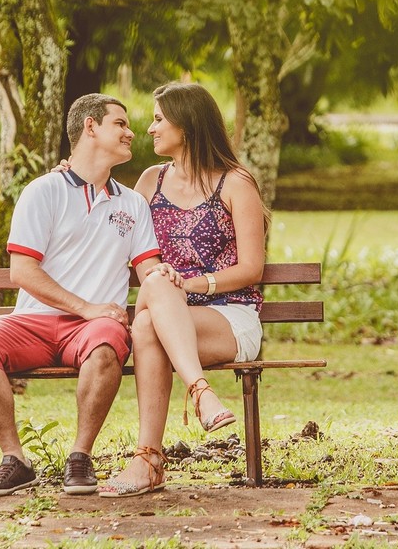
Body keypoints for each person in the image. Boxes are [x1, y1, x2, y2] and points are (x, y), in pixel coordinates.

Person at [0, 93, 180, 498]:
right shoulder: (43, 192)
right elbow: (22, 271)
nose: (132, 132)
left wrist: (160, 273)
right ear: (90, 127)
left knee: (107, 345)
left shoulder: (132, 203)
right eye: (121, 123)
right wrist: (85, 306)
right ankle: (15, 459)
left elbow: (147, 268)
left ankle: (80, 456)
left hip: (94, 331)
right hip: (34, 321)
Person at [97, 81, 268, 497]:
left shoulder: (235, 184)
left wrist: (189, 283)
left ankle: (147, 459)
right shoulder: (150, 181)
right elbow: (109, 231)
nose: (150, 129)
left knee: (153, 306)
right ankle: (202, 393)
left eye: (159, 119)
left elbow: (251, 269)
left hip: (230, 315)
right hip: (166, 312)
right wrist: (72, 176)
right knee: (154, 307)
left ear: (186, 127)